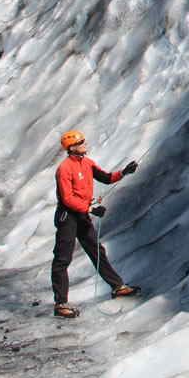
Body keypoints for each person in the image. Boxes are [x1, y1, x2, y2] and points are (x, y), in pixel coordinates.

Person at [51, 130, 140, 318]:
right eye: (81, 142)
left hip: (82, 215)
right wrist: (89, 209)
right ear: (72, 147)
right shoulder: (64, 169)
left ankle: (117, 286)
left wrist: (123, 172)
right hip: (68, 217)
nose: (85, 144)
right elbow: (67, 198)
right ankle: (60, 304)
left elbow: (106, 178)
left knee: (96, 251)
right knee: (62, 259)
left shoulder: (87, 163)